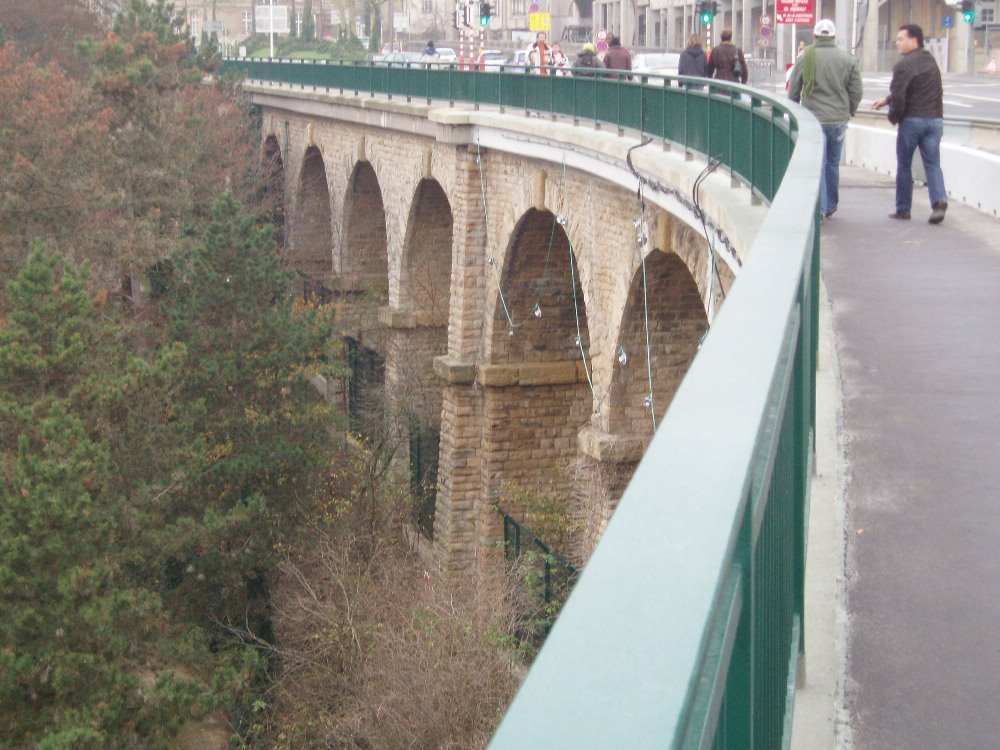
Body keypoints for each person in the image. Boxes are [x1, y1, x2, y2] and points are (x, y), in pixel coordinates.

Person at [872, 24, 948, 224]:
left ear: (914, 40)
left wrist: (893, 117)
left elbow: (900, 95)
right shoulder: (931, 61)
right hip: (934, 120)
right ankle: (939, 200)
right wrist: (886, 100)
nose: (897, 43)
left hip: (913, 121)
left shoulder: (903, 65)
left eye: (900, 39)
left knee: (904, 165)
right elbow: (925, 89)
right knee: (932, 163)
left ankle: (903, 209)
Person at [788, 19, 863, 219]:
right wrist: (850, 111)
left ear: (814, 36)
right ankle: (831, 205)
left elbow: (794, 88)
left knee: (817, 164)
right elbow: (856, 91)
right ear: (834, 37)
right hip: (838, 119)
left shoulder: (806, 57)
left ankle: (819, 208)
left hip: (814, 119)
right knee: (832, 163)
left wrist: (794, 110)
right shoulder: (847, 59)